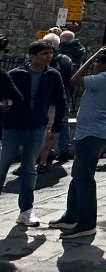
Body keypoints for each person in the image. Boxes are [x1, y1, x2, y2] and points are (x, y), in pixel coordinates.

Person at [49, 44, 106, 238]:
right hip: (97, 130)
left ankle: (86, 223)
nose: (94, 65)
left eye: (98, 62)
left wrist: (91, 58)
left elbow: (75, 79)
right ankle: (71, 216)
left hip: (92, 133)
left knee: (84, 178)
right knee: (78, 174)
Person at [0, 39, 63, 227]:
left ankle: (26, 211)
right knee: (2, 167)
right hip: (12, 127)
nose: (48, 57)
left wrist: (57, 126)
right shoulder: (15, 74)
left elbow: (61, 100)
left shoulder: (53, 75)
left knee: (29, 169)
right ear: (32, 56)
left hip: (36, 128)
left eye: (50, 53)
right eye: (44, 53)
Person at [37, 31, 73, 170]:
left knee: (48, 126)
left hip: (50, 98)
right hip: (65, 94)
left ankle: (47, 154)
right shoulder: (66, 59)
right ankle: (64, 150)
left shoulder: (48, 61)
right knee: (63, 123)